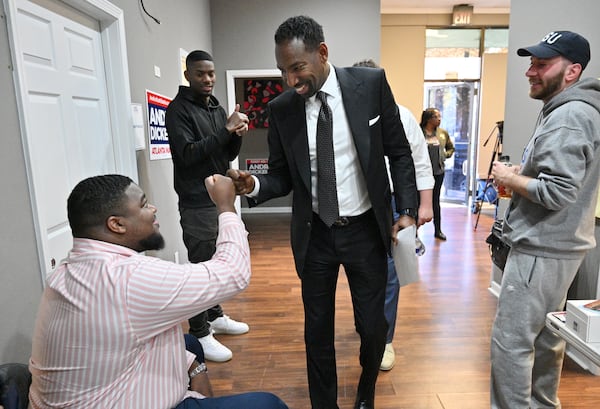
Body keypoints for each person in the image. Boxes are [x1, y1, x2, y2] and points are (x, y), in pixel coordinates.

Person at [227, 16, 418, 409]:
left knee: (373, 329)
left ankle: (365, 395)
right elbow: (282, 176)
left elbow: (398, 151)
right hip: (315, 235)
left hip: (366, 230)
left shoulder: (370, 85)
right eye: (283, 71)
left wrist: (409, 209)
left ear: (322, 53)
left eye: (298, 68)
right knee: (317, 332)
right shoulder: (283, 109)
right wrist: (256, 185)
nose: (290, 80)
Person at [28, 174, 289, 409]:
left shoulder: (66, 270)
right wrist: (226, 206)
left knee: (190, 345)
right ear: (117, 225)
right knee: (268, 404)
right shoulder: (129, 278)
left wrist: (194, 369)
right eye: (143, 205)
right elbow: (233, 273)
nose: (153, 209)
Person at [490, 30, 600, 409]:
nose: (530, 71)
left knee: (511, 344)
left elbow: (557, 192)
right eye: (532, 63)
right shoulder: (574, 109)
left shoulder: (569, 115)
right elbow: (565, 178)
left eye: (542, 64)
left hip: (542, 246)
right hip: (560, 246)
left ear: (572, 71)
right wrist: (527, 172)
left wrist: (509, 178)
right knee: (546, 340)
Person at [166, 50, 250, 362]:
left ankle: (215, 316)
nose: (208, 79)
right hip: (196, 201)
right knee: (201, 270)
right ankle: (200, 334)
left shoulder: (215, 106)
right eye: (201, 74)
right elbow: (188, 154)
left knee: (216, 263)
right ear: (187, 75)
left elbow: (225, 153)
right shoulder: (177, 111)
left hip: (218, 198)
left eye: (212, 74)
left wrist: (237, 134)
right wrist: (225, 130)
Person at [352, 59, 434, 372]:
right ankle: (368, 325)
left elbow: (419, 162)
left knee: (390, 275)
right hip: (360, 205)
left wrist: (423, 206)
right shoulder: (346, 117)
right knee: (364, 271)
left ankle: (384, 339)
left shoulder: (402, 116)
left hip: (397, 203)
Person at [419, 108, 455, 241]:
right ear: (428, 119)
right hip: (421, 174)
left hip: (438, 172)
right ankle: (414, 232)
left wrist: (444, 155)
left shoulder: (442, 133)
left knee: (435, 202)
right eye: (436, 116)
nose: (439, 119)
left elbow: (450, 148)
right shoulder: (419, 132)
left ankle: (438, 230)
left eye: (440, 116)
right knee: (418, 201)